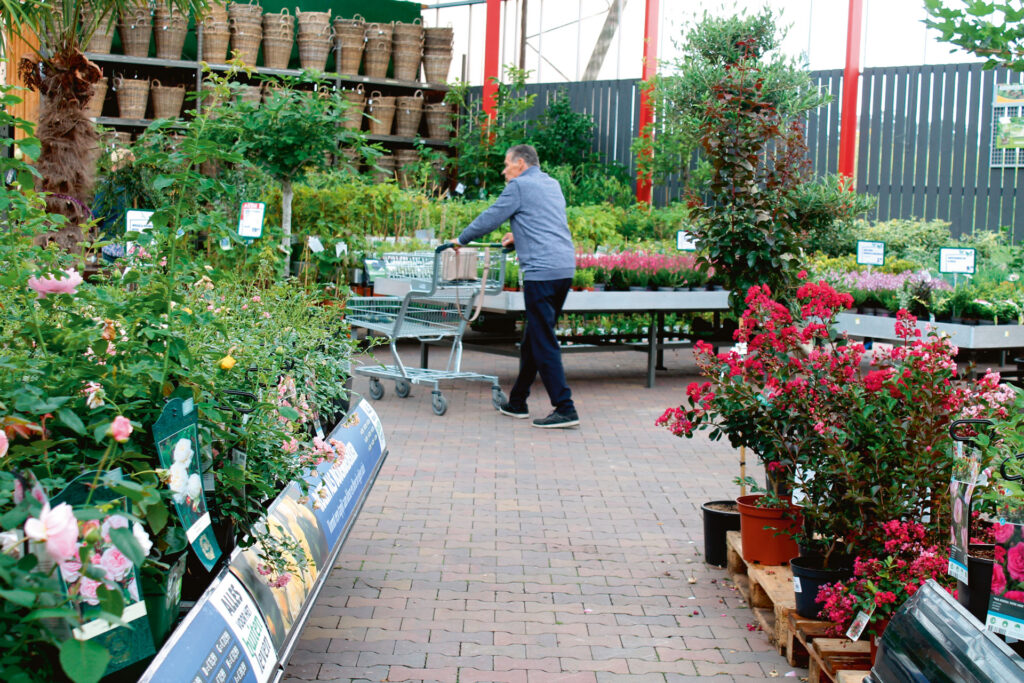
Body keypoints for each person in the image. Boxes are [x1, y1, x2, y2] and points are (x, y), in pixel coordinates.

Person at [453, 144, 579, 428]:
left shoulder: (519, 187)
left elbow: (490, 217)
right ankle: (517, 401)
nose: (504, 170)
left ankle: (565, 407)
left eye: (507, 164)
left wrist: (460, 240)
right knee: (534, 337)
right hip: (563, 270)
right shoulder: (552, 184)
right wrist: (518, 235)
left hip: (540, 273)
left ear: (521, 163)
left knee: (543, 338)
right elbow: (544, 222)